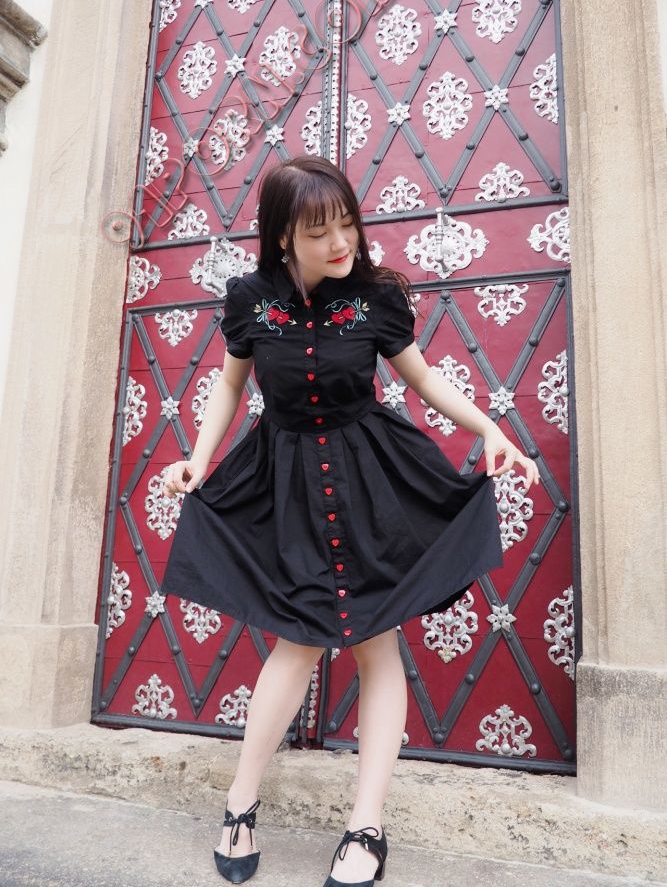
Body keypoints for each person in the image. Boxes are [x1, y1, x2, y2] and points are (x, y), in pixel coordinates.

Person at [160, 155, 540, 886]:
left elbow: (421, 377)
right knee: (297, 643)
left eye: (346, 224)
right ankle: (240, 803)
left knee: (375, 643)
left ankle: (366, 826)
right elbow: (230, 386)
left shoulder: (375, 299)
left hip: (371, 482)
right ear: (282, 237)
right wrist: (197, 461)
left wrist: (489, 429)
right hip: (286, 485)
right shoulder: (250, 300)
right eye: (318, 231)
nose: (340, 242)